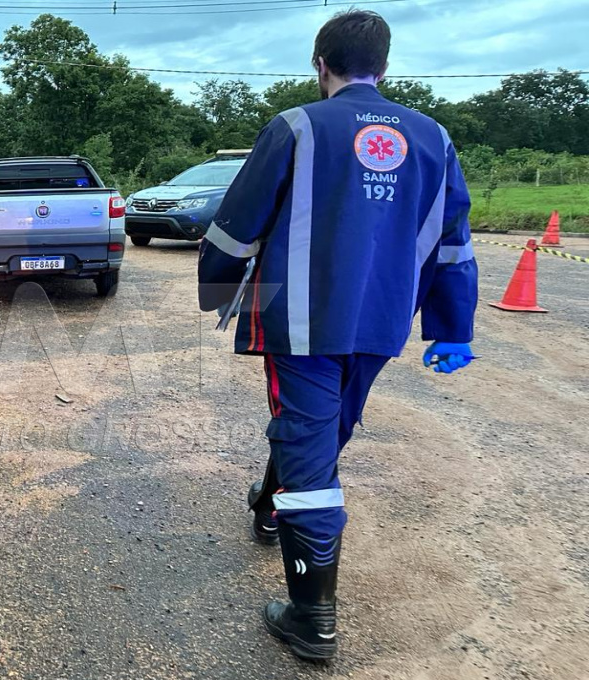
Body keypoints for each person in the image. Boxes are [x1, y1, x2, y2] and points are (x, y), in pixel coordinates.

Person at [196, 10, 478, 662]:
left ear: (320, 64)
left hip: (301, 323)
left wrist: (217, 290)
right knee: (320, 431)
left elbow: (238, 223)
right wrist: (451, 328)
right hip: (381, 324)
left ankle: (311, 617)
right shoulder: (434, 137)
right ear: (386, 66)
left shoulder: (296, 127)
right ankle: (272, 506)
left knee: (310, 441)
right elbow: (454, 243)